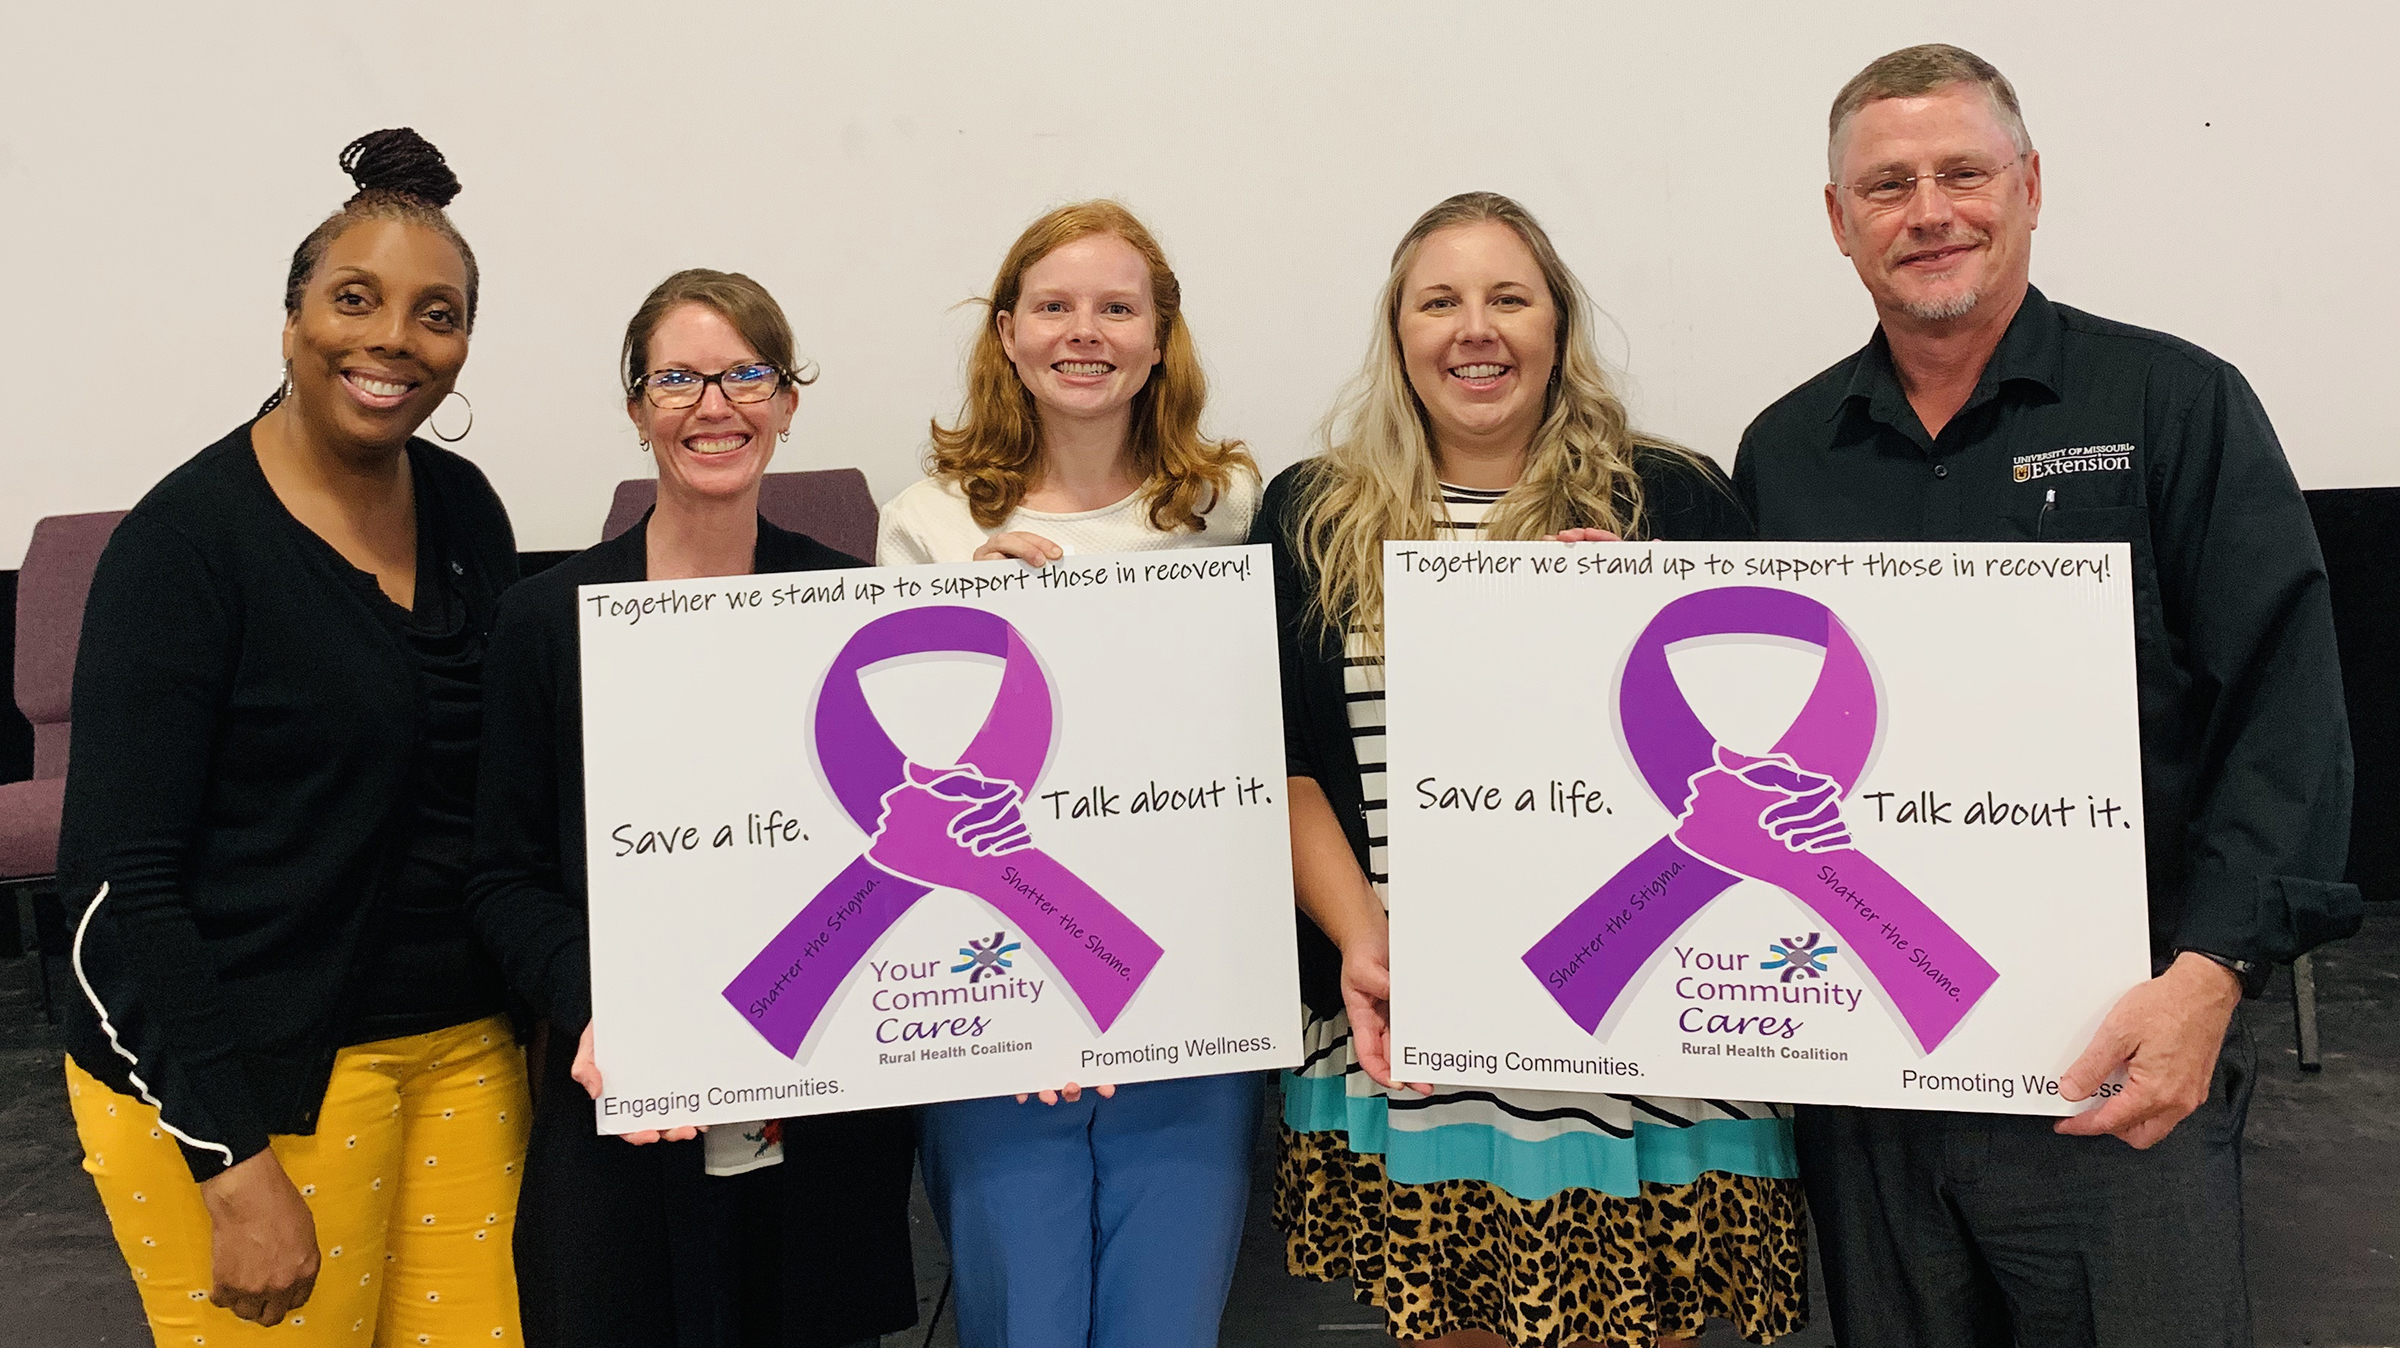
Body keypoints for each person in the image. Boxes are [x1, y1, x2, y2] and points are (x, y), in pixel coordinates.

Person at [1732, 44, 2360, 1348]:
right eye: (1888, 185)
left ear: (2028, 185)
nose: (1929, 212)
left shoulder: (2177, 406)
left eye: (1962, 172)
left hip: (2120, 1067)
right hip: (1867, 1081)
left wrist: (2209, 980)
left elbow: (2284, 716)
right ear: (1837, 222)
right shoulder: (1786, 454)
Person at [1253, 191, 1805, 1348]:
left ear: (1558, 324)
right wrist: (1365, 942)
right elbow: (1288, 762)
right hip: (1412, 1016)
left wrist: (1646, 624)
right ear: (1397, 332)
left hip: (1643, 1027)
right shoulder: (1312, 510)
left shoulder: (1672, 500)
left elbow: (1770, 747)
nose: (1476, 328)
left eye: (1510, 297)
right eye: (1440, 301)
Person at [56, 129, 528, 1343]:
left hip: (466, 1056)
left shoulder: (466, 509)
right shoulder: (184, 548)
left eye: (438, 313)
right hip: (248, 1086)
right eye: (354, 298)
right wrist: (228, 1157)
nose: (392, 340)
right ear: (291, 319)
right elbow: (122, 890)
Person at [466, 268, 917, 1348]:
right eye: (678, 379)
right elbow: (500, 875)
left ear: (789, 402)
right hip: (634, 1089)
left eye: (746, 375)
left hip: (823, 1089)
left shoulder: (851, 606)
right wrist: (592, 1004)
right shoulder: (545, 620)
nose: (715, 406)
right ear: (636, 409)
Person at [875, 200, 1264, 1348]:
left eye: (1115, 307)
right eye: (1052, 306)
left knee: (1166, 1323)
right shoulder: (931, 522)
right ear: (1006, 333)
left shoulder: (1230, 508)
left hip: (1191, 991)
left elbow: (1260, 750)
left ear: (1159, 337)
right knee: (1025, 1321)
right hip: (989, 989)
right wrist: (960, 621)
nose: (1082, 332)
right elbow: (900, 792)